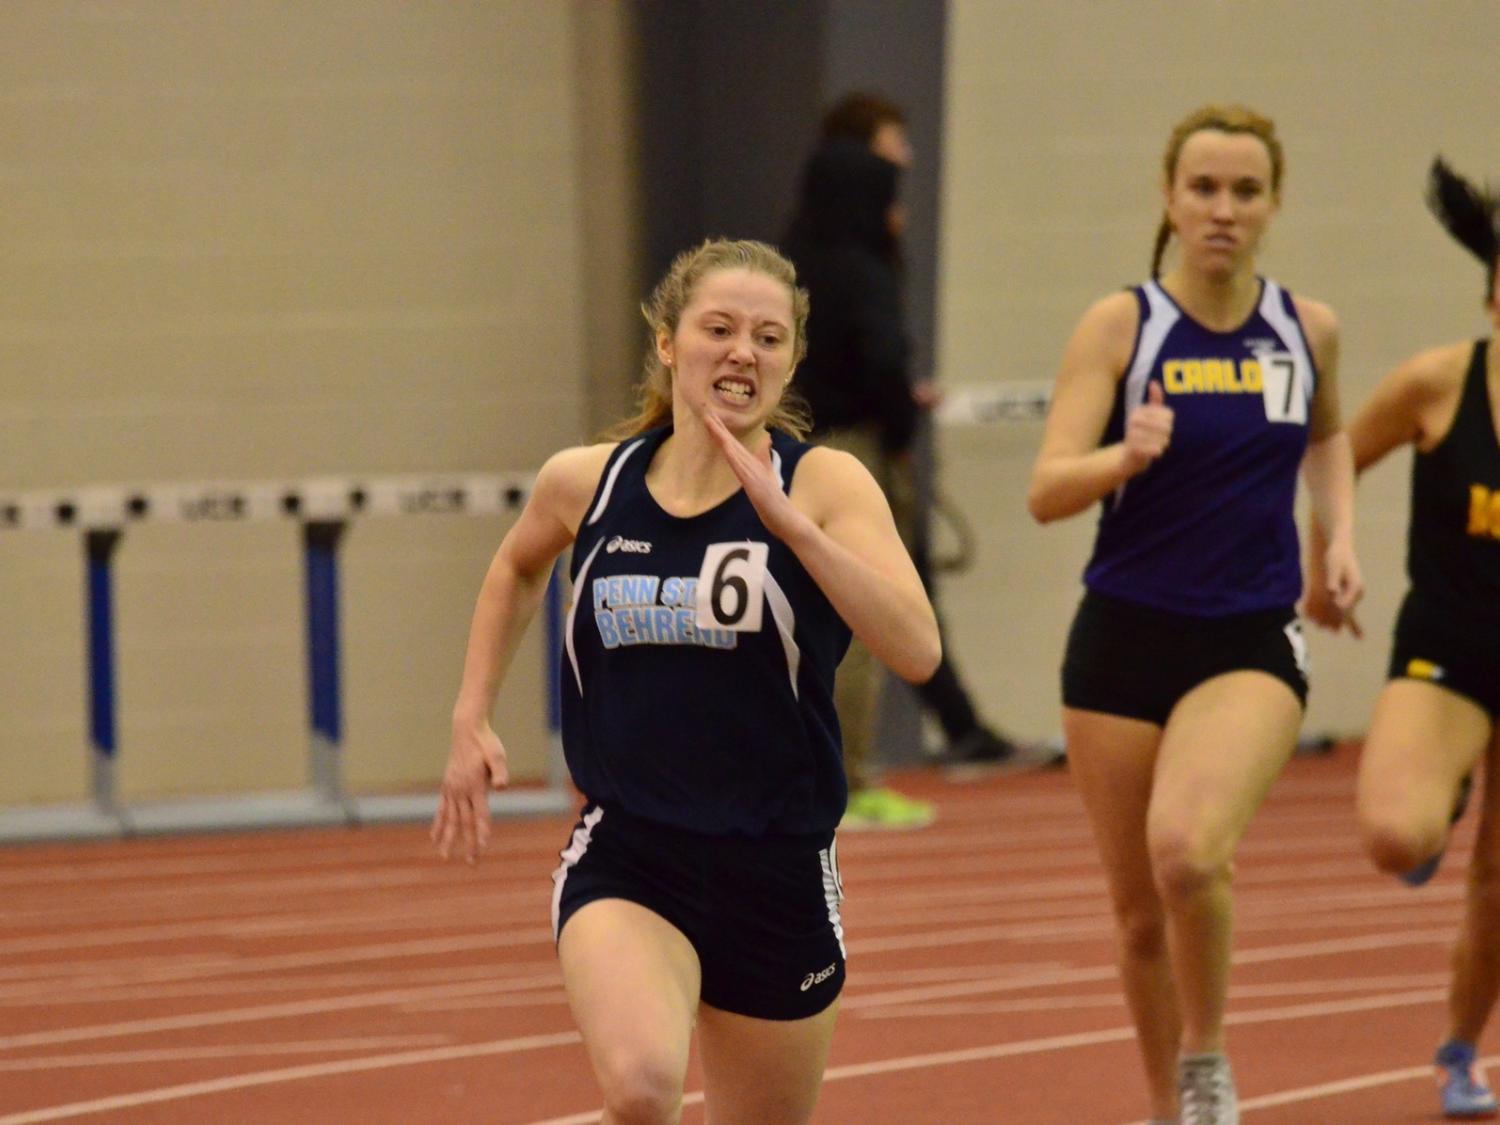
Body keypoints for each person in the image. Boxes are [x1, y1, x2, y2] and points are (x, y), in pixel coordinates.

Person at [432, 238, 940, 1125]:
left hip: (776, 861)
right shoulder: (587, 481)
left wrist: (800, 534)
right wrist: (470, 714)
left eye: (769, 337)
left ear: (790, 363)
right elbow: (516, 570)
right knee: (641, 1087)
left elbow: (917, 648)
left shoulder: (826, 483)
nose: (744, 351)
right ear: (668, 345)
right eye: (720, 328)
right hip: (633, 852)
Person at [1027, 104, 1362, 1125]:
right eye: (1204, 189)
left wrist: (1337, 537)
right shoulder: (1122, 326)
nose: (1223, 209)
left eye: (1245, 191)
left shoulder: (1306, 329)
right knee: (1137, 916)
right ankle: (1171, 1104)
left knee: (1189, 851)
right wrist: (1121, 458)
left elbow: (1330, 438)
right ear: (1171, 201)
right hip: (1122, 639)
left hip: (1248, 634)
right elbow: (1048, 490)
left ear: (1272, 205)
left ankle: (1207, 1064)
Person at [783, 93, 1040, 832]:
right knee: (859, 620)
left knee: (807, 619)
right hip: (855, 451)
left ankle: (929, 737)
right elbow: (884, 356)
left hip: (791, 453)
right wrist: (900, 429)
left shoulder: (788, 253)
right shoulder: (864, 264)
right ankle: (853, 778)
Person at [1305, 157, 1499, 1120]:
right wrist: (1323, 559)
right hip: (1452, 648)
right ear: (1495, 293)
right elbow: (1331, 445)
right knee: (1396, 835)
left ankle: (1461, 1046)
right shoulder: (1438, 382)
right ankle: (1444, 783)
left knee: (1498, 880)